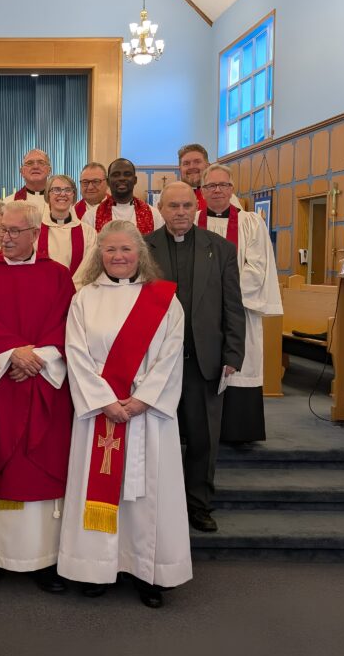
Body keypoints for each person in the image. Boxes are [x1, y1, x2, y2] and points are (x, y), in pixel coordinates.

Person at [57, 221, 191, 608]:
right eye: (111, 250)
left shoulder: (165, 300)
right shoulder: (83, 298)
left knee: (147, 494)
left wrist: (143, 399)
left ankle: (147, 570)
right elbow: (76, 353)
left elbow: (170, 354)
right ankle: (95, 567)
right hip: (101, 415)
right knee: (100, 493)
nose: (118, 257)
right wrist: (105, 401)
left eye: (126, 250)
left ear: (140, 255)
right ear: (99, 255)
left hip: (147, 416)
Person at [0, 201, 76, 595]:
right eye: (0, 230)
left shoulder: (59, 276)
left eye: (13, 231)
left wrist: (38, 358)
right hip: (1, 388)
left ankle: (45, 560)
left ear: (35, 234)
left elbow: (67, 322)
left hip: (44, 384)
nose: (4, 237)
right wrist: (13, 354)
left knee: (40, 466)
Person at [146, 182, 245, 533]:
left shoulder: (220, 249)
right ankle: (156, 506)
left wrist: (233, 353)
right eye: (173, 206)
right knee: (157, 438)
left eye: (187, 205)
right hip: (156, 366)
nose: (181, 212)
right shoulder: (144, 248)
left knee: (203, 438)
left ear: (196, 208)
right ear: (160, 208)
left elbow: (233, 305)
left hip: (204, 361)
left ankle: (199, 506)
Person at [197, 164, 282, 444]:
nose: (217, 191)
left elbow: (256, 267)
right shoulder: (193, 220)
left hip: (240, 309)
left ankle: (238, 431)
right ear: (203, 191)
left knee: (241, 366)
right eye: (211, 186)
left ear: (232, 189)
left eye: (222, 185)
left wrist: (224, 298)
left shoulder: (250, 222)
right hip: (201, 314)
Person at [39, 174, 97, 279]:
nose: (62, 194)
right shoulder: (35, 231)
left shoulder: (88, 232)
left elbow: (88, 267)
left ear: (73, 195)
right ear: (48, 195)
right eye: (56, 190)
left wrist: (71, 288)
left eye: (68, 190)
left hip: (76, 291)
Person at [90, 158, 164, 235]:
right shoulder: (92, 216)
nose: (122, 178)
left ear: (135, 180)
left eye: (127, 174)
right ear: (108, 181)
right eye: (116, 175)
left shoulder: (154, 215)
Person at [177, 144, 241, 212]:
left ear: (208, 166)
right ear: (180, 169)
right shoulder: (169, 197)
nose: (192, 167)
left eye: (197, 162)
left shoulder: (224, 196)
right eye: (186, 163)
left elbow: (240, 221)